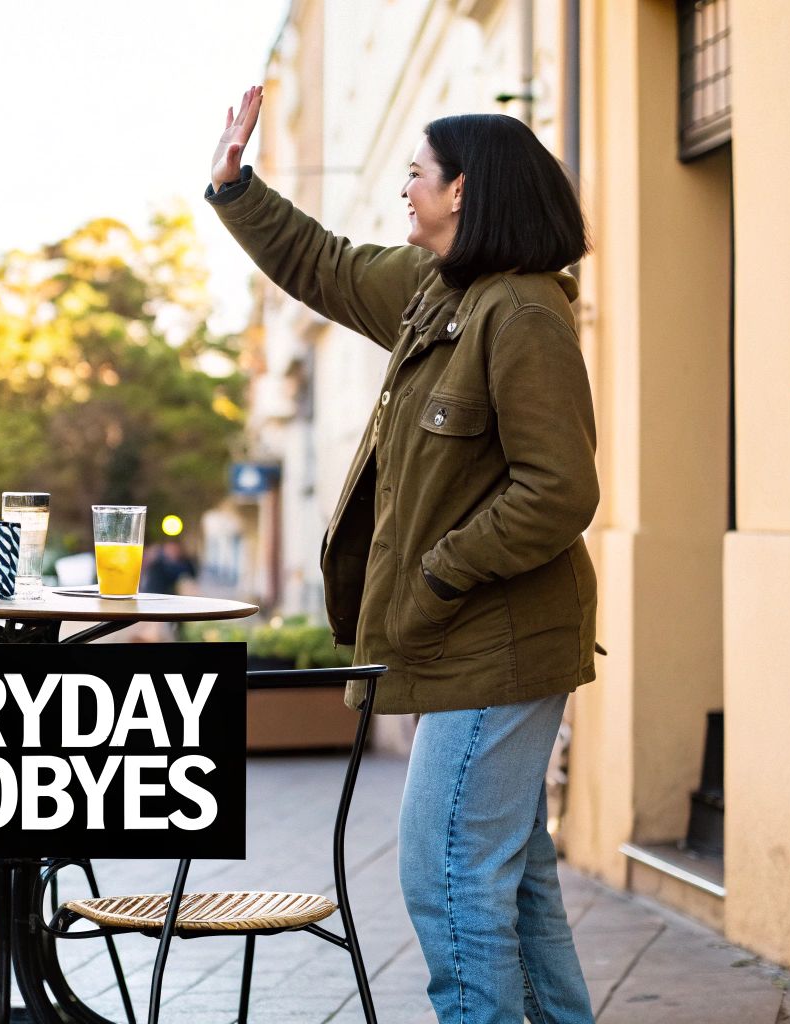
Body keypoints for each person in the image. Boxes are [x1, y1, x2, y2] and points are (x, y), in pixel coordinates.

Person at [205, 86, 599, 1023]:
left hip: (496, 642)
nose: (403, 188)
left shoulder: (522, 314)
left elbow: (560, 491)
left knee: (449, 876)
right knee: (513, 883)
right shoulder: (438, 294)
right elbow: (325, 265)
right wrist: (236, 187)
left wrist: (439, 571)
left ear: (463, 191)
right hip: (462, 643)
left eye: (417, 173)